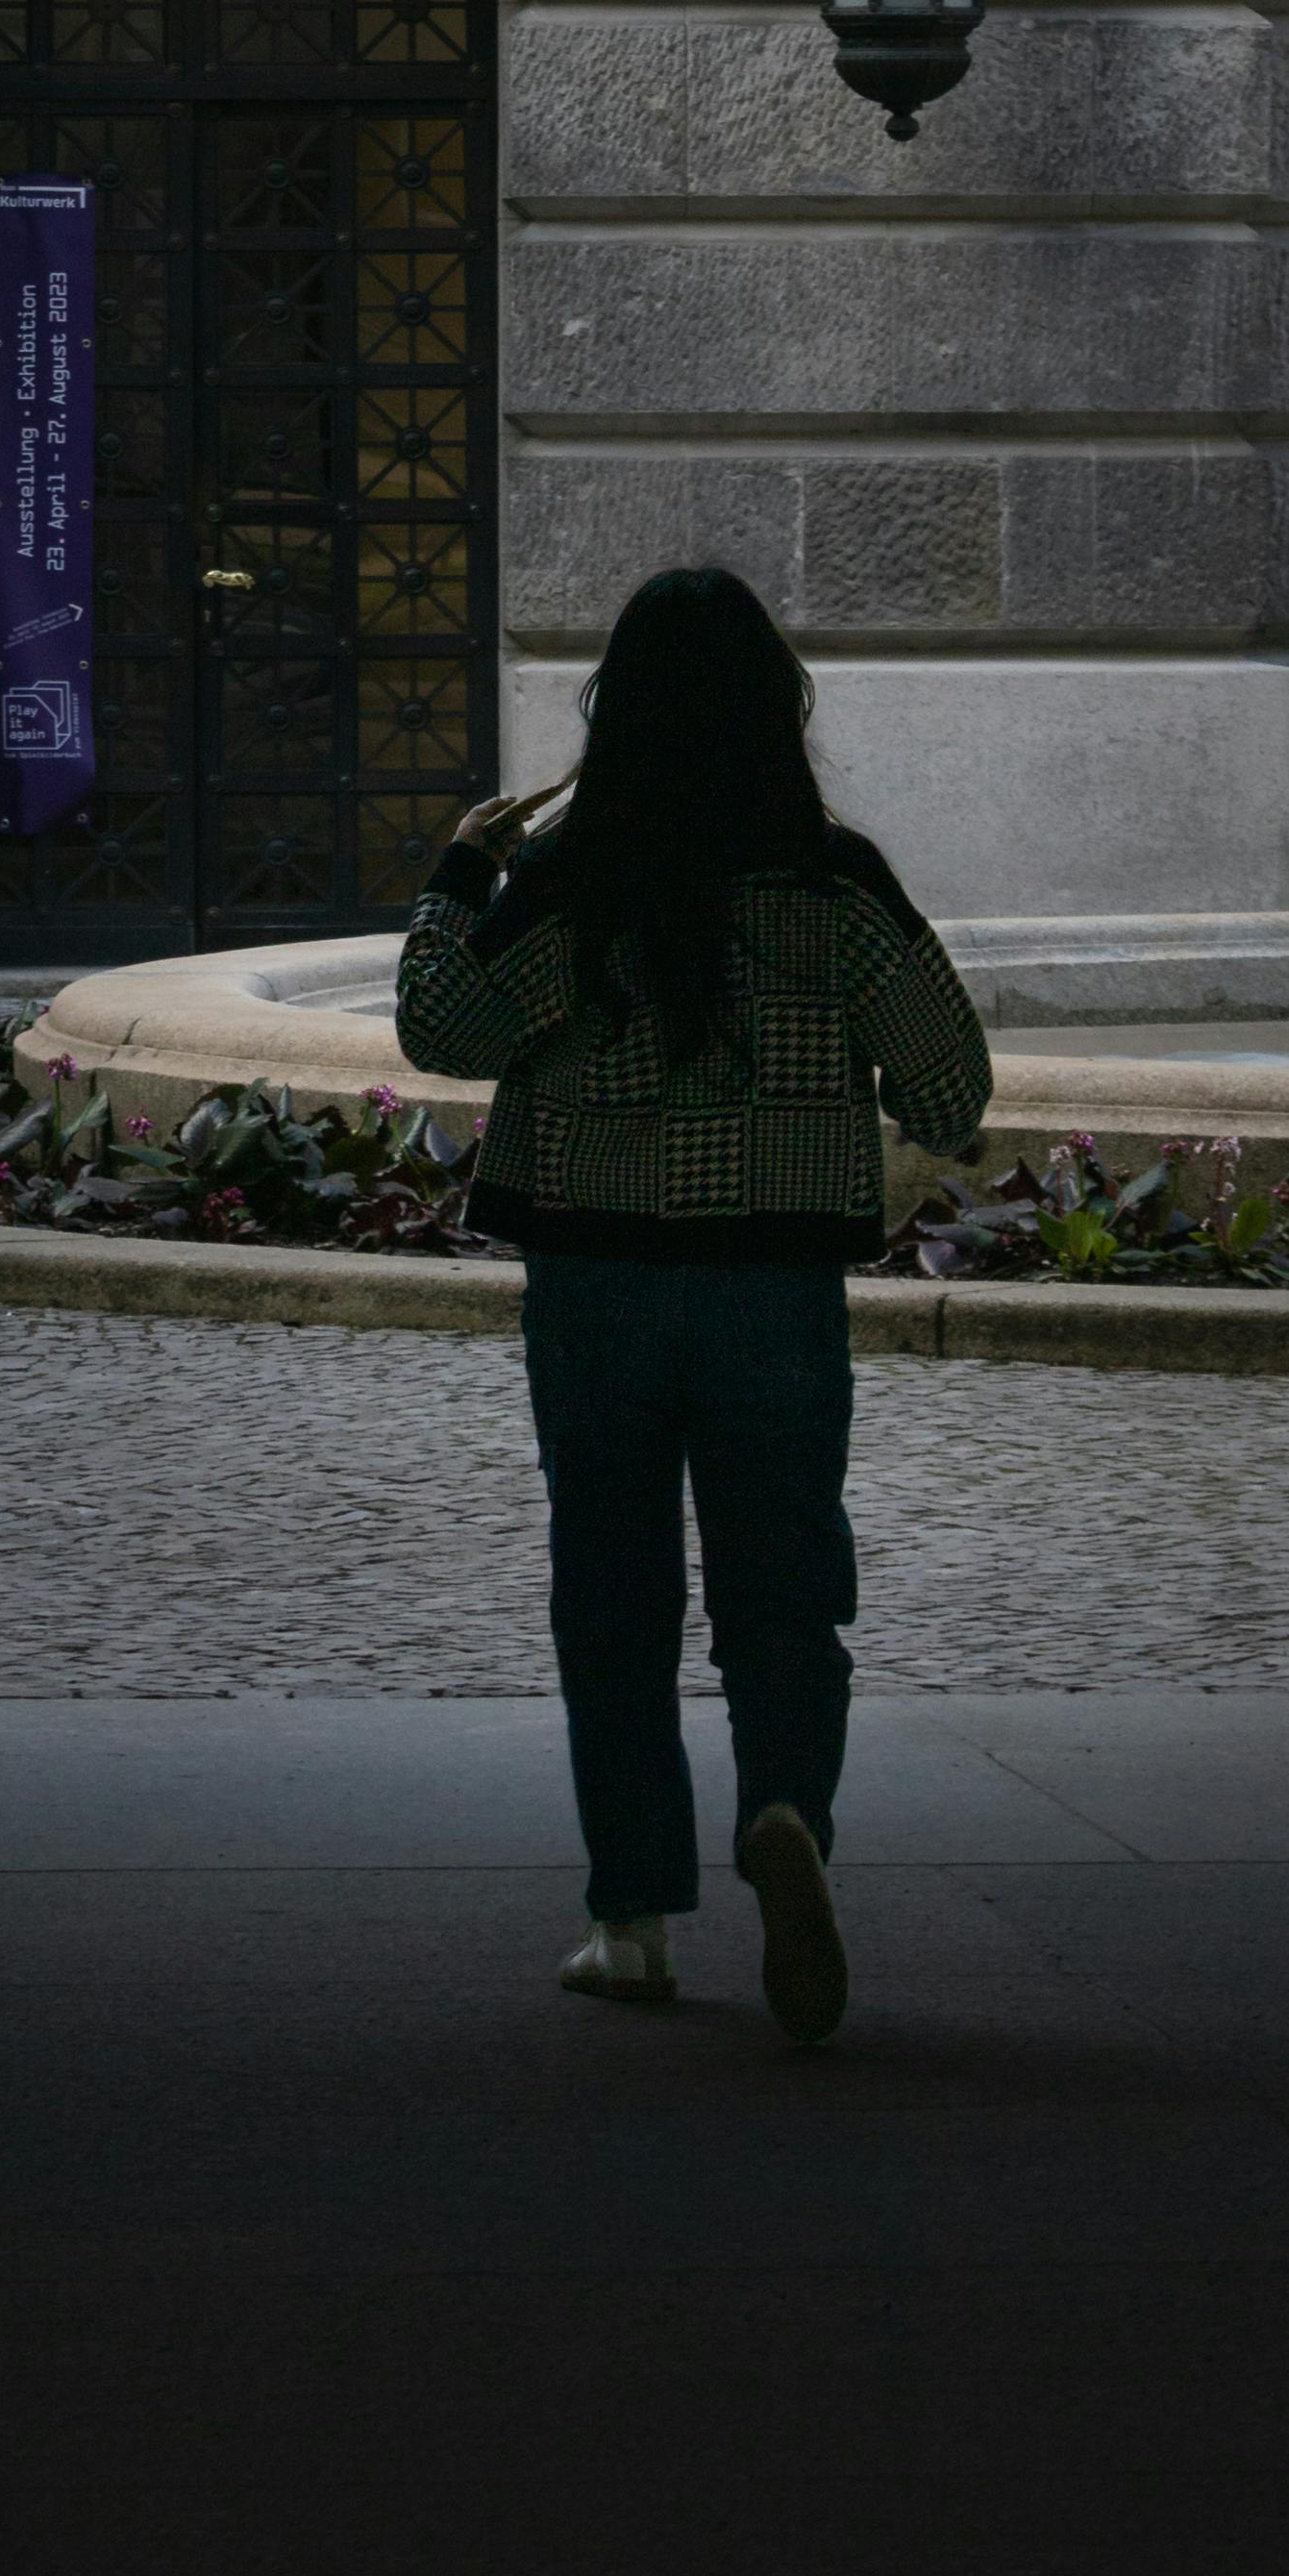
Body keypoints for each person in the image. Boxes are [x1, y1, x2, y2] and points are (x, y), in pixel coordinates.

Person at [397, 566, 989, 2044]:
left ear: (621, 714)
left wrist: (459, 871)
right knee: (786, 1590)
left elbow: (440, 1032)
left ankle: (632, 1921)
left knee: (613, 1597)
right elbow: (954, 1088)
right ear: (773, 713)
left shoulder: (568, 884)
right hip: (773, 1286)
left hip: (597, 1284)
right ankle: (783, 1808)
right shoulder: (836, 884)